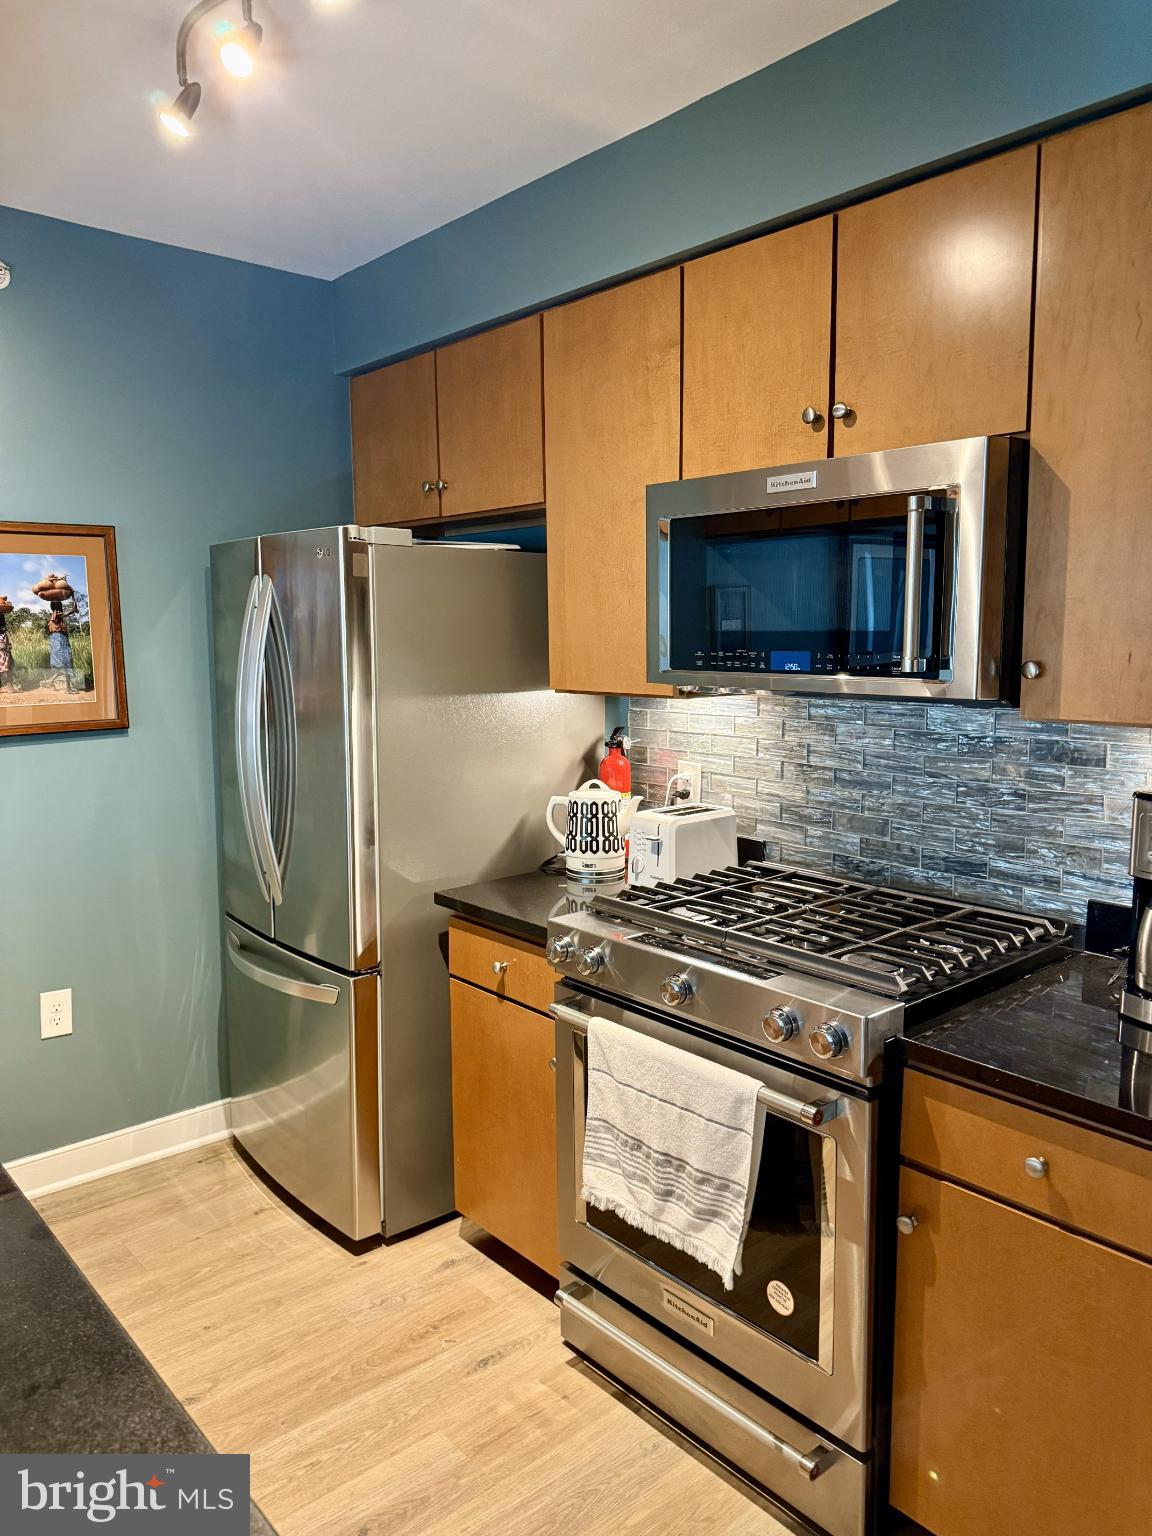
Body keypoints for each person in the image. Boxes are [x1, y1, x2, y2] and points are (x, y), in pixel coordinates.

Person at [47, 599, 75, 687]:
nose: (62, 607)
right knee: (66, 664)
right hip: (60, 641)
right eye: (60, 606)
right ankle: (68, 688)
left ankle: (52, 680)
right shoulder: (56, 615)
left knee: (64, 665)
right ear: (57, 607)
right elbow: (72, 610)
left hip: (58, 641)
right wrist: (74, 601)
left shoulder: (58, 617)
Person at [0, 597, 12, 692]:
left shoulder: (3, 627)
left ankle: (9, 686)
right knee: (6, 665)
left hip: (3, 640)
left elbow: (4, 630)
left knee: (8, 665)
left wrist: (8, 645)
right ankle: (8, 686)